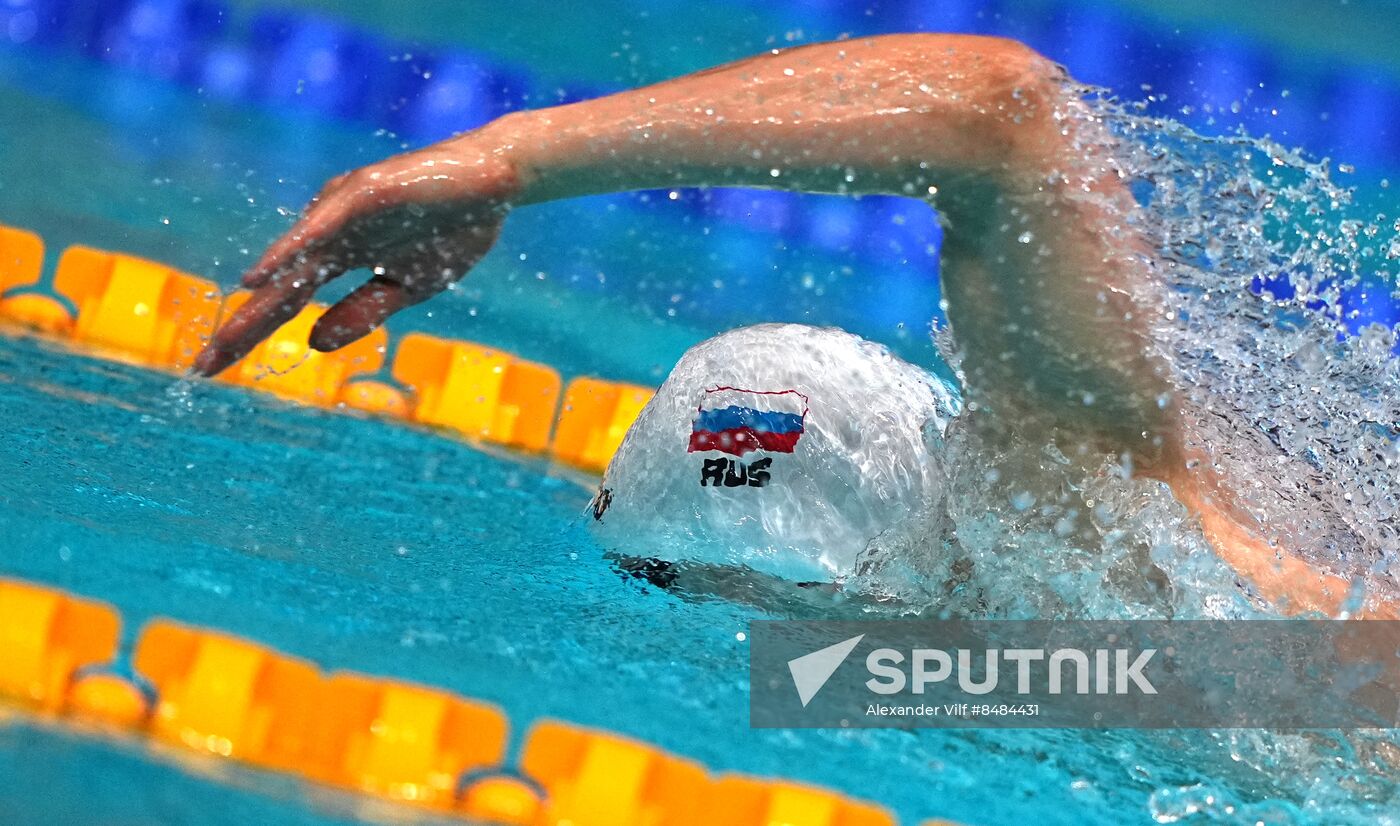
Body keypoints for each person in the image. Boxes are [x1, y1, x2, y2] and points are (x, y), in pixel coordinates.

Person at [192, 33, 1387, 618]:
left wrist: (504, 155)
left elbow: (996, 110)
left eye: (686, 589)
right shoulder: (1128, 549)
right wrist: (503, 161)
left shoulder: (1091, 526)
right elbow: (999, 118)